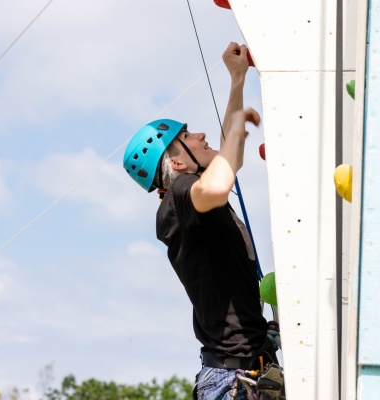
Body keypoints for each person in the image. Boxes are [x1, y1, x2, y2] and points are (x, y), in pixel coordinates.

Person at [123, 43, 280, 399]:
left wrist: (237, 80)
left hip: (240, 373)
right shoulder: (181, 194)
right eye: (187, 136)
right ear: (177, 164)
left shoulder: (186, 200)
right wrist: (237, 128)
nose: (200, 136)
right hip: (233, 380)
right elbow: (221, 180)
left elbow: (228, 159)